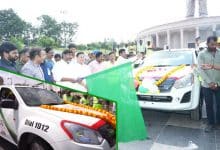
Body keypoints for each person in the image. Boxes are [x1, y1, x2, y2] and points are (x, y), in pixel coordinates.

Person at [198, 36, 220, 132]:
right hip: (207, 85)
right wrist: (210, 82)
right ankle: (210, 123)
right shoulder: (201, 54)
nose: (214, 46)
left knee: (219, 105)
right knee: (209, 105)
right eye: (212, 44)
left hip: (219, 84)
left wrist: (217, 83)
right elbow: (200, 70)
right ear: (207, 44)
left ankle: (218, 123)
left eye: (215, 44)